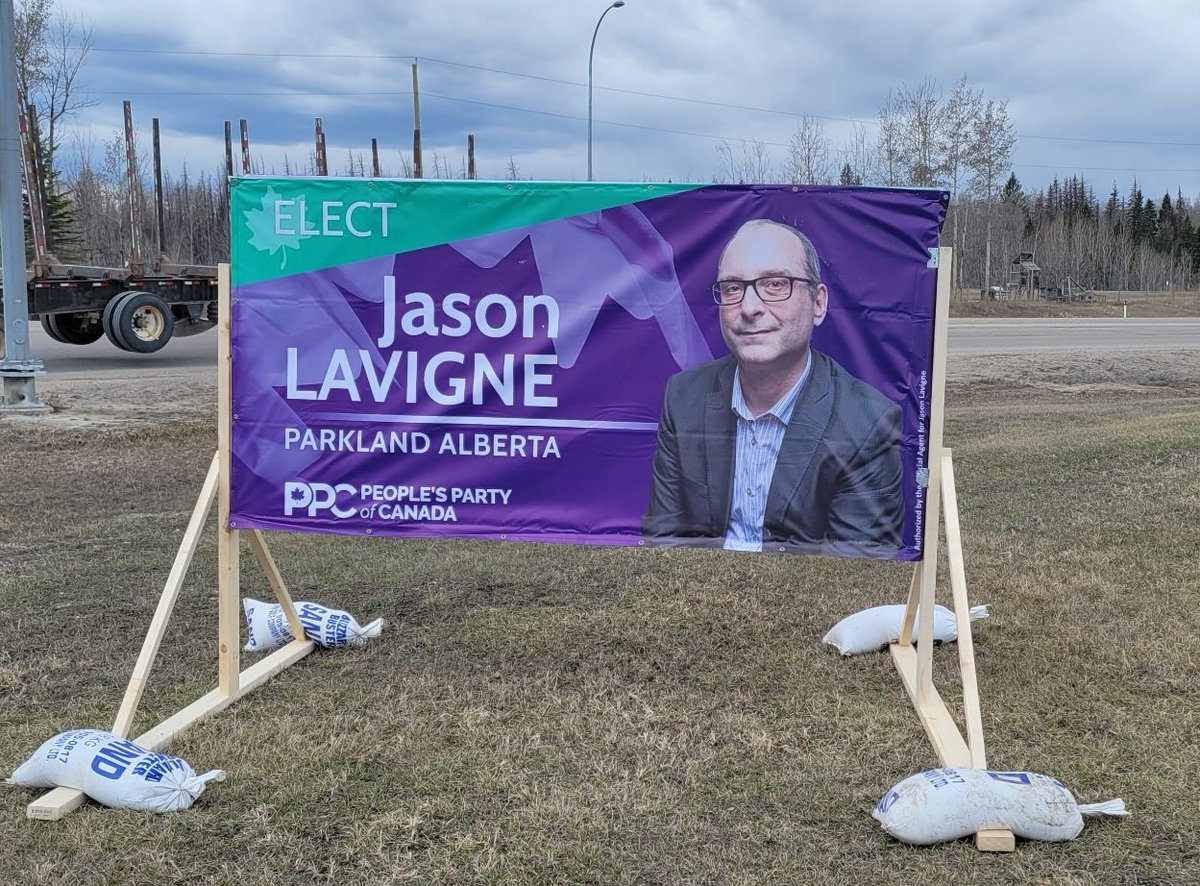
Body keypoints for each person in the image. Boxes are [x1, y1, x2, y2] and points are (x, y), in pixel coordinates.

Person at [642, 219, 903, 558]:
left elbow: (856, 574)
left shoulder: (867, 422)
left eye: (775, 284)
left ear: (818, 303)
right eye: (733, 288)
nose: (749, 308)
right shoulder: (683, 398)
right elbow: (663, 543)